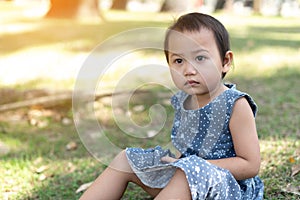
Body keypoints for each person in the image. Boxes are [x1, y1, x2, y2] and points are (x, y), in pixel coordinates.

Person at [80, 12, 264, 200]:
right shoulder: (182, 100)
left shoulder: (235, 104)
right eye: (178, 61)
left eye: (200, 58)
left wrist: (194, 166)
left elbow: (250, 165)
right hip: (187, 178)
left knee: (188, 173)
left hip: (228, 188)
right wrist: (180, 164)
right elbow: (186, 146)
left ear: (225, 62)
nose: (189, 70)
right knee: (126, 159)